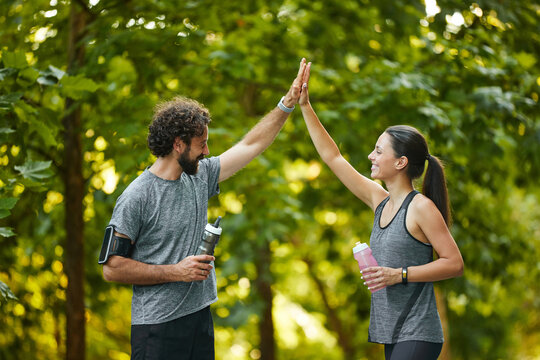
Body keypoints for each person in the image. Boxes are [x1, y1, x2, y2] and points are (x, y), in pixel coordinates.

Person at [100, 58, 309, 360]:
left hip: (199, 318)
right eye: (201, 144)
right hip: (157, 327)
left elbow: (251, 145)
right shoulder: (137, 196)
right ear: (178, 144)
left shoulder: (199, 175)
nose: (207, 151)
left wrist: (287, 104)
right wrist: (176, 271)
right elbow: (112, 269)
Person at [297, 63, 464, 360]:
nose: (371, 156)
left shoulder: (420, 207)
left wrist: (398, 274)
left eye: (378, 151)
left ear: (400, 162)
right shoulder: (380, 200)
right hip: (392, 332)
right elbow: (332, 157)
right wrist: (306, 106)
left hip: (418, 332)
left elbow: (453, 263)